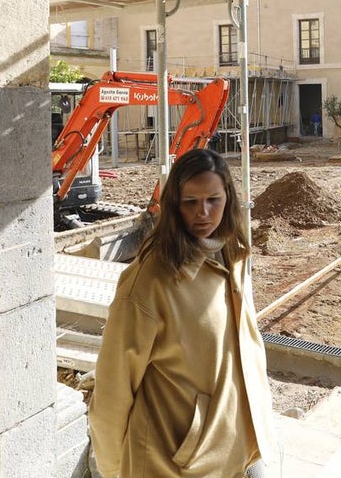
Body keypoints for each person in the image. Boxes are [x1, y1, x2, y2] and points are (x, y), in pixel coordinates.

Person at [89, 149, 274, 478]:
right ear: (173, 204)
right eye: (190, 202)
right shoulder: (149, 281)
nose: (203, 213)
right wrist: (116, 470)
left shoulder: (234, 257)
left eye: (213, 200)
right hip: (174, 465)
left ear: (228, 199)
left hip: (236, 450)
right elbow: (112, 390)